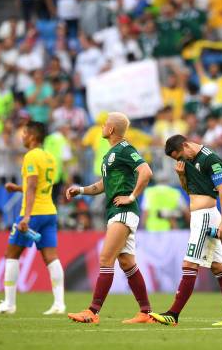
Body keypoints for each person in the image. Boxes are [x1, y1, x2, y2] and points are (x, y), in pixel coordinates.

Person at [66, 112, 154, 324]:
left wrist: (132, 196)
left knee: (106, 258)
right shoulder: (110, 154)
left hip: (123, 211)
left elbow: (146, 171)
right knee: (127, 262)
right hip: (115, 211)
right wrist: (81, 190)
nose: (102, 126)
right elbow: (103, 185)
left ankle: (92, 312)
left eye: (105, 124)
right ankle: (145, 312)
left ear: (112, 129)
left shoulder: (125, 149)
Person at [149, 134, 222, 327]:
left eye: (179, 156)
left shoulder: (210, 159)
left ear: (185, 145)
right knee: (218, 267)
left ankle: (173, 314)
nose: (180, 160)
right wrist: (181, 175)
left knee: (189, 264)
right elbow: (189, 190)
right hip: (198, 216)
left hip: (206, 216)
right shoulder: (187, 160)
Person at [0, 121, 65, 315]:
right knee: (51, 257)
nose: (21, 137)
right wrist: (17, 188)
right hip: (49, 212)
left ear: (32, 136)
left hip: (33, 214)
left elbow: (32, 187)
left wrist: (27, 217)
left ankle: (9, 303)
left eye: (24, 133)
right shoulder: (50, 157)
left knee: (11, 254)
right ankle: (59, 304)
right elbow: (41, 186)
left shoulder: (31, 156)